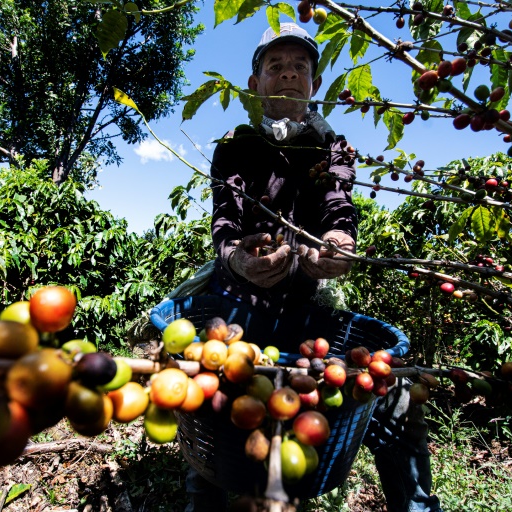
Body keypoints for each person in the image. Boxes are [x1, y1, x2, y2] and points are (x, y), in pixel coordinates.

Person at [186, 22, 443, 512]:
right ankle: (205, 496)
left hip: (303, 306)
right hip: (236, 304)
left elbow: (337, 208)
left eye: (299, 66)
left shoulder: (333, 148)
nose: (288, 74)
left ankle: (415, 505)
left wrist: (338, 243)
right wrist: (237, 258)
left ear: (315, 83)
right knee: (212, 412)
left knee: (396, 400)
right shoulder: (235, 145)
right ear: (254, 83)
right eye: (275, 66)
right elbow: (224, 223)